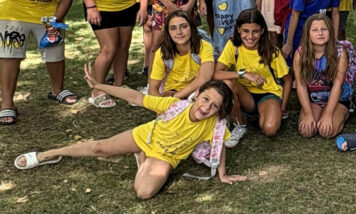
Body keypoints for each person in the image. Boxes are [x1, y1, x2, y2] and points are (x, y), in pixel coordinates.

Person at [14, 65, 245, 199]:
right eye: (205, 99)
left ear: (219, 110)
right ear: (197, 96)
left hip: (165, 157)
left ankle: (142, 159)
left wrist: (222, 174)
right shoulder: (174, 104)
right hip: (146, 135)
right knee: (99, 148)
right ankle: (49, 154)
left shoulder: (214, 125)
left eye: (214, 105)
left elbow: (219, 146)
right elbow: (135, 97)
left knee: (144, 192)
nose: (207, 107)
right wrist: (99, 86)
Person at [0, 0, 78, 124]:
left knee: (55, 52)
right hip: (14, 12)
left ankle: (57, 90)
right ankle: (7, 104)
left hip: (47, 14)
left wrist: (56, 21)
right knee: (10, 56)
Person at [215, 9, 292, 147]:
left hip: (268, 94)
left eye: (255, 31)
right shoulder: (233, 46)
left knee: (270, 129)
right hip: (245, 94)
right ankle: (239, 124)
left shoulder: (271, 50)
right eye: (245, 31)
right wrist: (243, 74)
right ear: (238, 29)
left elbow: (288, 80)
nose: (250, 36)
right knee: (227, 83)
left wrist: (282, 108)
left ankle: (267, 113)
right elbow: (216, 73)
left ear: (262, 31)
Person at [293, 15, 350, 138]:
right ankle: (314, 112)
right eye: (315, 30)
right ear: (308, 33)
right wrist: (308, 114)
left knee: (327, 132)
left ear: (331, 31)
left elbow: (338, 85)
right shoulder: (300, 54)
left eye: (324, 29)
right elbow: (301, 85)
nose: (320, 33)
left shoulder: (340, 53)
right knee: (307, 131)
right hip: (314, 99)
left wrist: (328, 115)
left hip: (338, 99)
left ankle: (344, 112)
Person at [147, 11, 214, 98]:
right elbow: (152, 89)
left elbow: (204, 78)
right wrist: (161, 103)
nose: (179, 32)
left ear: (192, 28)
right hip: (172, 91)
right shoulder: (161, 52)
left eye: (184, 26)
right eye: (173, 28)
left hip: (198, 90)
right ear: (168, 32)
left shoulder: (204, 46)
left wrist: (177, 96)